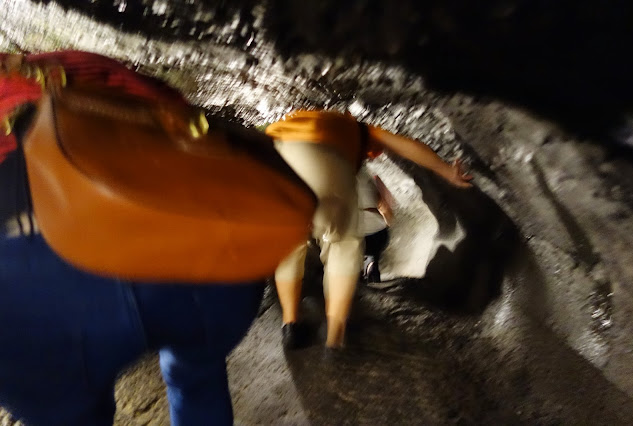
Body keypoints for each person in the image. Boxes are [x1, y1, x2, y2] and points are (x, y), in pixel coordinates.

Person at [0, 51, 266, 426]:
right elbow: (191, 127)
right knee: (197, 377)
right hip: (186, 253)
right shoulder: (72, 66)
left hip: (27, 286)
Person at [265, 110, 472, 350]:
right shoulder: (359, 130)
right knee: (343, 244)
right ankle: (334, 333)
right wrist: (447, 170)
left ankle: (290, 323)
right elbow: (405, 146)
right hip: (323, 161)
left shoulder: (295, 120)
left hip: (273, 161)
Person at [357, 170, 393, 284]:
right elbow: (386, 208)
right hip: (379, 235)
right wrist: (386, 225)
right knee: (373, 248)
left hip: (356, 236)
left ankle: (359, 271)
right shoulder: (373, 176)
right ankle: (372, 263)